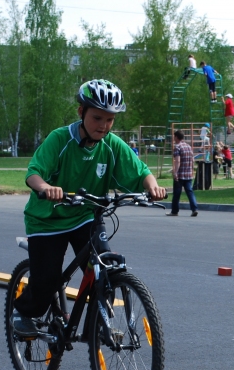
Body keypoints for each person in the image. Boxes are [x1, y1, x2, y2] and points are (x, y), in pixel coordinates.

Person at [12, 79, 167, 334]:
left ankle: (101, 323)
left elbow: (140, 171)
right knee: (48, 278)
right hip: (48, 219)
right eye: (97, 118)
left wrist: (152, 186)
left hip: (86, 215)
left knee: (103, 266)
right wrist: (45, 188)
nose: (104, 126)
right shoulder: (59, 139)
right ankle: (24, 312)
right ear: (81, 112)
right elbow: (34, 173)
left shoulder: (111, 145)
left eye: (109, 120)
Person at [168, 129, 198, 217]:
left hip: (180, 174)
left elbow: (177, 161)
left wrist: (175, 172)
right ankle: (194, 209)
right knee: (190, 192)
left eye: (174, 136)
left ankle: (174, 211)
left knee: (177, 193)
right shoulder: (189, 147)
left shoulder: (177, 147)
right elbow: (192, 160)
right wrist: (192, 171)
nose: (174, 138)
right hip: (188, 174)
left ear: (176, 137)